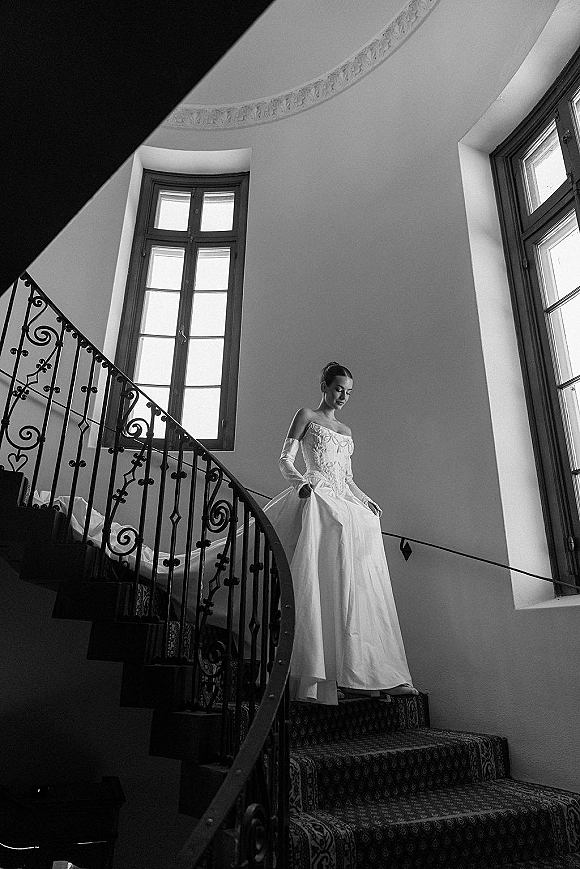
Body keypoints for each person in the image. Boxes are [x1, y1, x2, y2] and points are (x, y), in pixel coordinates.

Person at [263, 362, 417, 705]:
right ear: (324, 386)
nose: (343, 396)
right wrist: (299, 483)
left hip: (341, 495)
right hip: (315, 491)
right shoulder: (306, 415)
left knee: (365, 526)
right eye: (338, 389)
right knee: (336, 525)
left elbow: (347, 478)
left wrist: (365, 499)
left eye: (348, 392)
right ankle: (332, 670)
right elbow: (285, 459)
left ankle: (369, 670)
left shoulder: (346, 431)